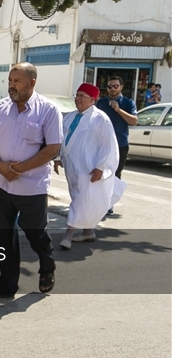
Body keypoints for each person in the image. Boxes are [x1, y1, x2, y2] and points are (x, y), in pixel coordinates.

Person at [0, 63, 62, 299]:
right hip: (1, 183)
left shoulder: (48, 110)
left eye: (17, 80)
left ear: (32, 83)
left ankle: (47, 265)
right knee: (4, 237)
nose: (11, 85)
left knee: (35, 232)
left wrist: (18, 169)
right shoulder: (1, 108)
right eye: (10, 80)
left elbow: (53, 148)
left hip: (31, 185)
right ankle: (6, 286)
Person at [55, 84, 126, 249]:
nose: (77, 98)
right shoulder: (70, 117)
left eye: (82, 95)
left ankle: (68, 235)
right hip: (73, 167)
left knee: (80, 199)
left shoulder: (100, 118)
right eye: (77, 94)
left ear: (93, 99)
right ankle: (88, 232)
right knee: (80, 198)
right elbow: (62, 139)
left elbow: (109, 145)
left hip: (90, 168)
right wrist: (59, 157)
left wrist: (102, 167)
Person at [95, 75, 138, 214]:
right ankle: (98, 200)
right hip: (101, 144)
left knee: (115, 174)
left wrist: (118, 110)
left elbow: (133, 121)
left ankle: (109, 202)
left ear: (121, 87)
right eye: (109, 86)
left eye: (115, 86)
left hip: (120, 144)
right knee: (98, 172)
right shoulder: (101, 103)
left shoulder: (128, 102)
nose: (112, 89)